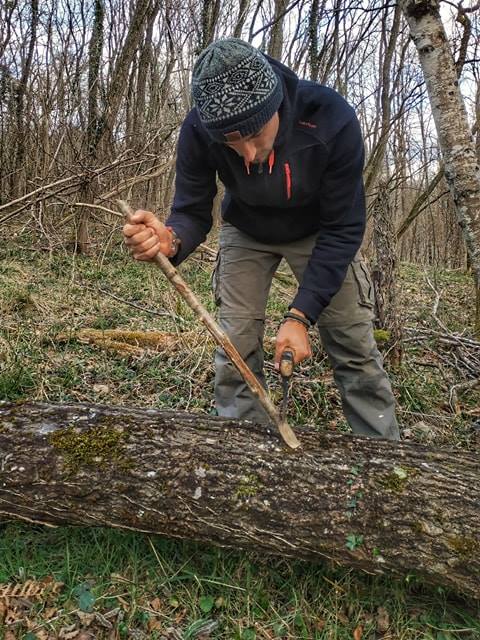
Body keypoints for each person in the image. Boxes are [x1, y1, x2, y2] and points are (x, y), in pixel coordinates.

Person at [123, 38, 399, 440]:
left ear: (276, 107)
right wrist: (169, 240)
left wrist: (299, 316)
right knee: (234, 346)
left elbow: (344, 228)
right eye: (230, 144)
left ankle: (385, 458)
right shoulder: (198, 129)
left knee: (353, 343)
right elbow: (191, 211)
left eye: (254, 135)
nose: (248, 155)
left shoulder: (329, 118)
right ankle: (245, 454)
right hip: (246, 230)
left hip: (320, 231)